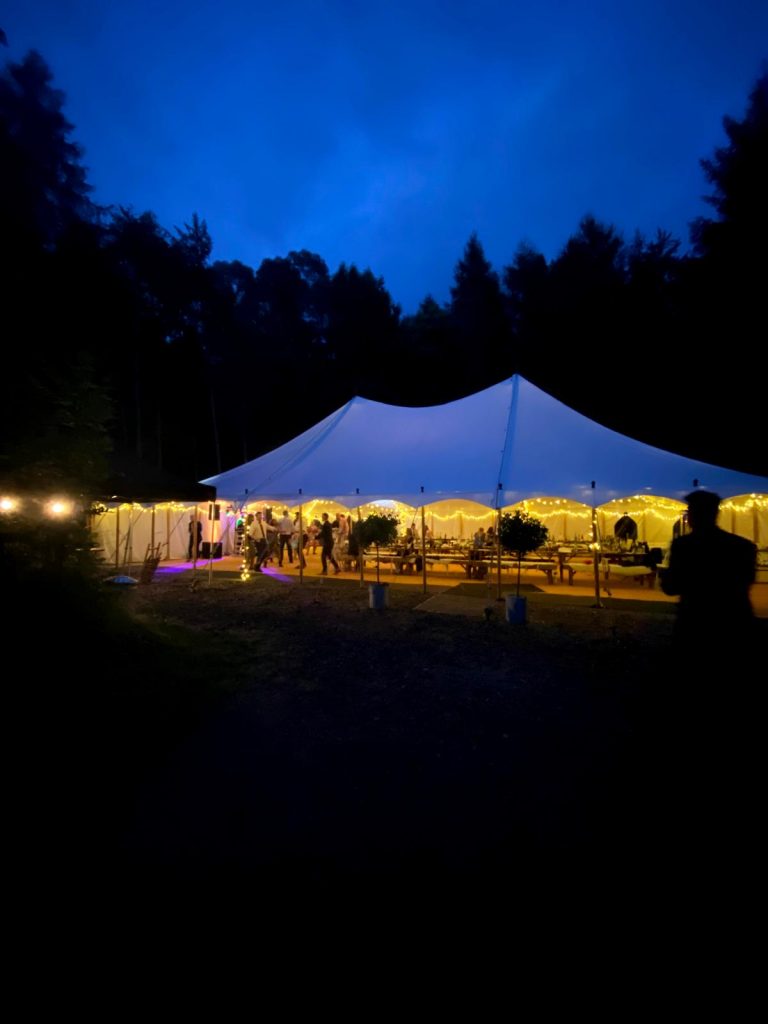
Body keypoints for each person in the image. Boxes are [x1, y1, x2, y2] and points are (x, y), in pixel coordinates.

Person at [659, 490, 756, 670]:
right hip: (734, 621)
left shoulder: (684, 546)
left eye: (689, 512)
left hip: (695, 622)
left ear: (693, 515)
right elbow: (747, 581)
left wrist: (662, 575)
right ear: (715, 513)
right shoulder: (743, 546)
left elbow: (672, 587)